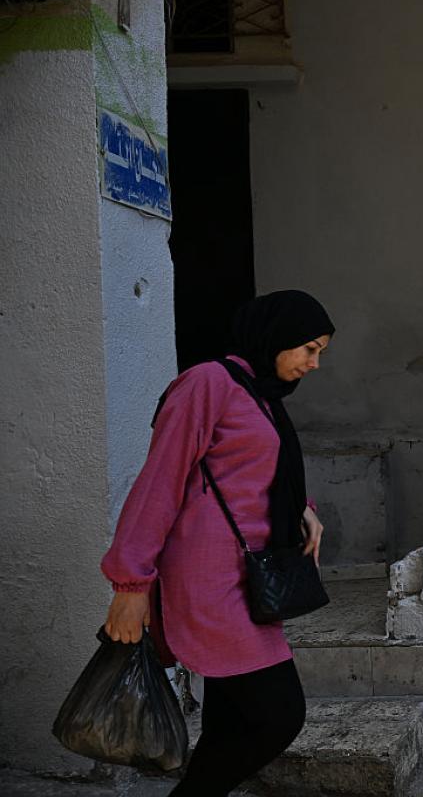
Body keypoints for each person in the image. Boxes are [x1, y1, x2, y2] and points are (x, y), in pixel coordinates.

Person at [100, 290, 335, 797]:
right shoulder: (209, 383)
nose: (314, 364)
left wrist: (302, 509)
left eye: (320, 352)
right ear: (276, 337)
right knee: (278, 714)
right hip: (210, 580)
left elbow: (256, 474)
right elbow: (159, 483)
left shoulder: (259, 393)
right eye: (309, 349)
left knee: (232, 720)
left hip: (248, 576)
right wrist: (130, 582)